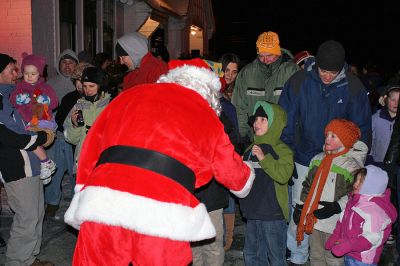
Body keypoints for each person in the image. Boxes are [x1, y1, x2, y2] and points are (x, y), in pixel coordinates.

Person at [64, 58, 255, 265]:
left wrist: (82, 188)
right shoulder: (205, 115)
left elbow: (92, 144)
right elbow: (234, 175)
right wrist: (246, 177)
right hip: (162, 211)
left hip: (104, 203)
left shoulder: (129, 96)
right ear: (208, 92)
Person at [279, 40, 372, 266]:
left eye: (333, 72)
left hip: (339, 161)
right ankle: (298, 254)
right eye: (323, 71)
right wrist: (287, 156)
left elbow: (361, 129)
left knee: (332, 209)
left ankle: (331, 256)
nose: (327, 76)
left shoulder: (353, 87)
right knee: (299, 207)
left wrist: (356, 164)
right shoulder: (299, 82)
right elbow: (286, 122)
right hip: (303, 156)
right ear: (316, 65)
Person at [0, 53, 54, 266]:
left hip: (32, 163)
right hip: (16, 165)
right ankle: (17, 261)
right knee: (26, 217)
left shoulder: (14, 94)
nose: (17, 74)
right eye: (12, 70)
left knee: (36, 213)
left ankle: (30, 258)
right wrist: (38, 137)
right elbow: (6, 135)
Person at [293, 119, 367, 265]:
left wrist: (337, 206)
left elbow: (356, 194)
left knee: (333, 258)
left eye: (334, 136)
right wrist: (301, 206)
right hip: (314, 219)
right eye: (327, 135)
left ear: (344, 140)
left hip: (335, 222)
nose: (327, 139)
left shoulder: (351, 165)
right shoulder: (317, 159)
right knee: (316, 255)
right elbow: (307, 185)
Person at [239, 101, 293, 266]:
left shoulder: (282, 150)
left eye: (263, 119)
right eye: (256, 119)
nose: (257, 123)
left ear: (275, 122)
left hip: (272, 214)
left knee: (276, 257)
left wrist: (264, 158)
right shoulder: (249, 150)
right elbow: (242, 179)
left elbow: (283, 176)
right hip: (253, 213)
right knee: (252, 255)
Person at [232, 31, 299, 143]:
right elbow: (239, 107)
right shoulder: (247, 73)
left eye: (269, 56)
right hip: (255, 139)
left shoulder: (292, 72)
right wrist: (242, 136)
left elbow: (298, 107)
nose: (265, 60)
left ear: (278, 52)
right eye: (261, 56)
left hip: (283, 140)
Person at [325, 165, 397, 266]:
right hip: (350, 253)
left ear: (372, 186)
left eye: (361, 182)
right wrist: (335, 237)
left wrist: (348, 245)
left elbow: (371, 238)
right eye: (356, 179)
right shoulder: (354, 201)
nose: (356, 184)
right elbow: (342, 222)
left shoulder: (375, 210)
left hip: (363, 259)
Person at [10, 53, 58, 182]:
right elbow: (12, 100)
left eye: (33, 74)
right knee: (30, 141)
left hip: (43, 121)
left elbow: (55, 102)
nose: (29, 77)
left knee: (33, 140)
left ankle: (46, 162)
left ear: (39, 74)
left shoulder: (45, 87)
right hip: (26, 122)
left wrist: (46, 100)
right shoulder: (19, 87)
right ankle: (45, 164)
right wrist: (18, 99)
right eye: (26, 73)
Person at [44, 49, 78, 217]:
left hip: (74, 138)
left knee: (75, 171)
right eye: (64, 63)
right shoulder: (50, 84)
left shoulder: (79, 83)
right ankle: (52, 202)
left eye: (71, 63)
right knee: (53, 170)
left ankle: (77, 201)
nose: (67, 66)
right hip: (55, 136)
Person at [64, 66, 111, 174]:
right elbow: (71, 139)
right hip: (83, 162)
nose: (87, 90)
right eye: (84, 86)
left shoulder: (110, 105)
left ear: (100, 86)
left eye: (91, 86)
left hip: (103, 162)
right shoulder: (79, 106)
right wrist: (74, 125)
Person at [218, 53, 241, 251]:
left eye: (234, 71)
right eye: (227, 70)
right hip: (219, 146)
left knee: (231, 195)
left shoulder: (238, 91)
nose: (230, 75)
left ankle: (229, 238)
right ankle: (221, 236)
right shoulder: (215, 90)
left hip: (234, 146)